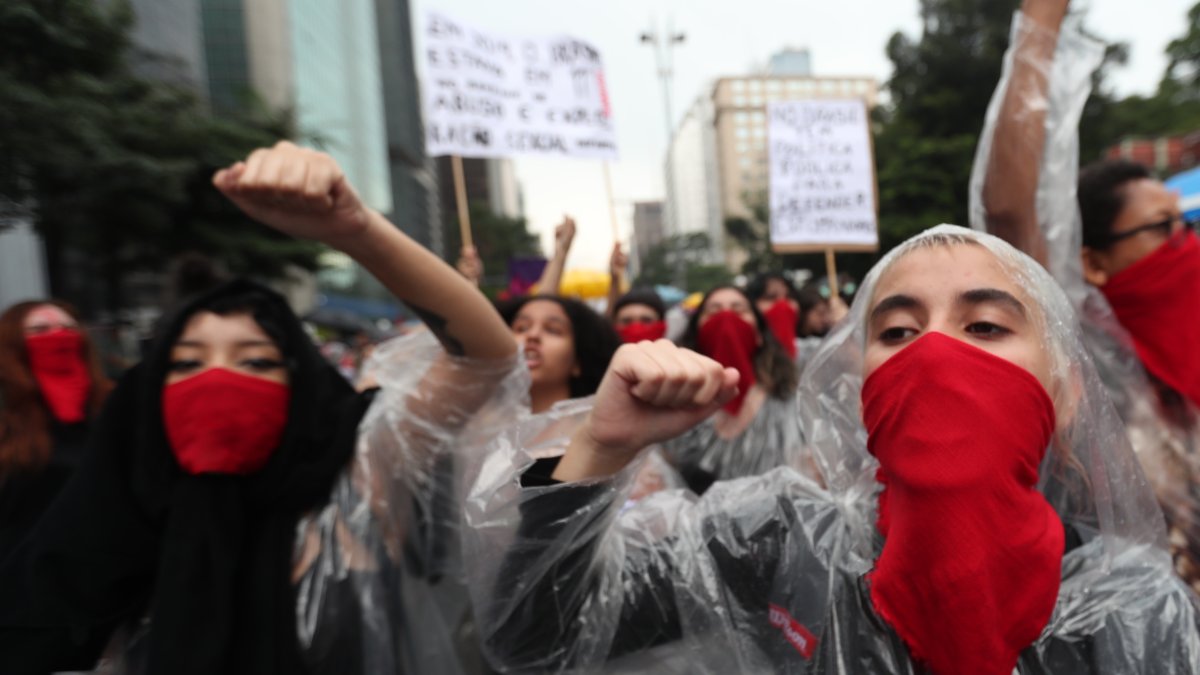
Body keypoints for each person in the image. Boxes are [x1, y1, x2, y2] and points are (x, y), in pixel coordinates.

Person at [463, 225, 1200, 674]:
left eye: (984, 328)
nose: (937, 357)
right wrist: (598, 445)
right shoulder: (776, 537)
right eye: (899, 332)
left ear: (1065, 389)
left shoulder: (1130, 605)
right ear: (859, 383)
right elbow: (536, 636)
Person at [0, 141, 522, 675]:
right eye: (186, 364)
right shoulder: (118, 531)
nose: (218, 379)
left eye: (254, 362)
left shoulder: (357, 481)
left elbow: (486, 356)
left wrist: (354, 230)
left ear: (302, 386)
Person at [971, 0, 1200, 591]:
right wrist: (1040, 26)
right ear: (1092, 263)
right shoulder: (1085, 360)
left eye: (1188, 225)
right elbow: (1010, 214)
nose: (1186, 244)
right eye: (1161, 228)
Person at [662, 285, 807, 494]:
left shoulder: (793, 399)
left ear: (759, 333)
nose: (727, 317)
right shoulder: (673, 400)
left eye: (739, 310)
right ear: (697, 331)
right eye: (714, 311)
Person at [0, 301, 113, 554]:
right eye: (40, 330)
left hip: (104, 564)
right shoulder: (6, 415)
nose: (59, 337)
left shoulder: (111, 405)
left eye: (69, 328)